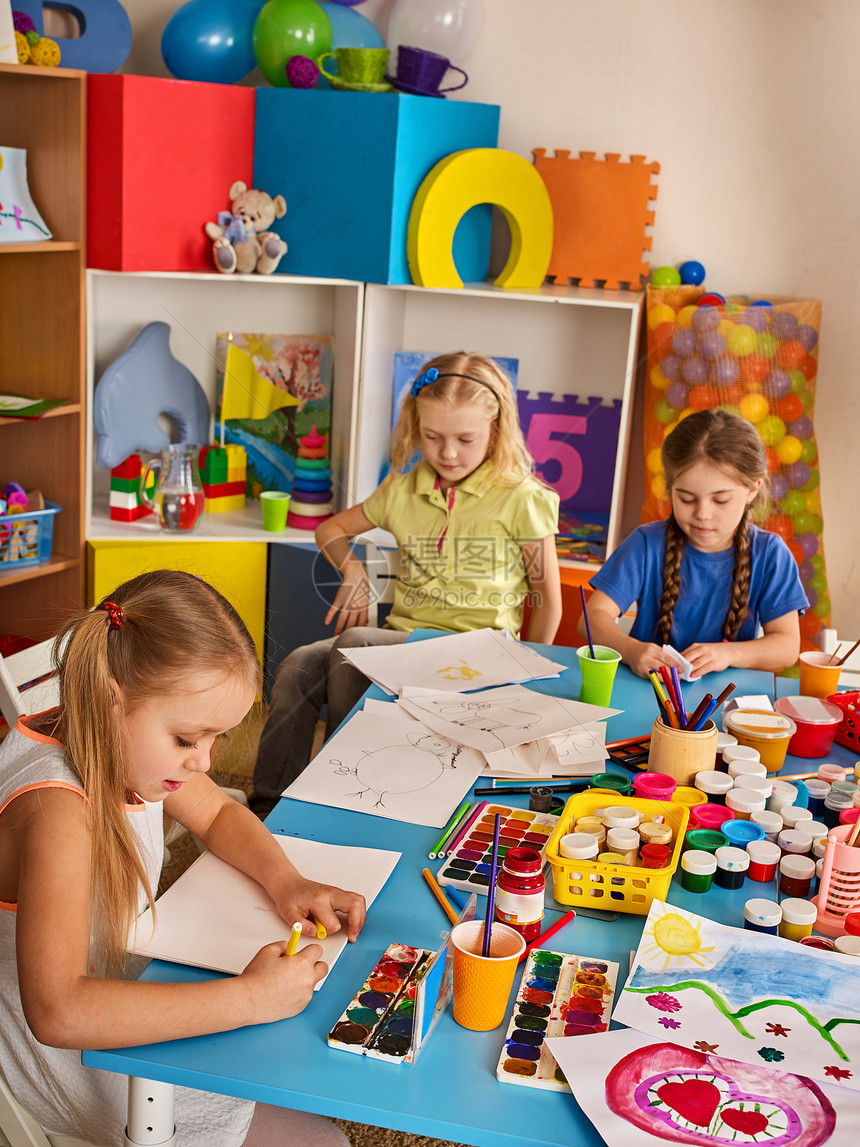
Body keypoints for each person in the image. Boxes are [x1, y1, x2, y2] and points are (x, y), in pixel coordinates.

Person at [0, 570, 365, 1147]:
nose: (207, 763)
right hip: (67, 1060)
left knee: (284, 1041)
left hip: (117, 991)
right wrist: (246, 998)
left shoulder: (126, 743)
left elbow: (218, 815)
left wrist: (286, 881)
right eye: (191, 739)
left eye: (219, 739)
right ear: (111, 698)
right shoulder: (57, 811)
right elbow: (58, 1012)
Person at [251, 352, 562, 815]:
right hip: (404, 645)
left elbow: (550, 604)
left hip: (479, 655)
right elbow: (329, 530)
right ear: (416, 426)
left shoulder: (522, 498)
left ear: (495, 432)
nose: (448, 452)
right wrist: (353, 570)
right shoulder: (401, 489)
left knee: (354, 642)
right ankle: (269, 807)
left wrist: (526, 682)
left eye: (465, 438)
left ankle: (338, 789)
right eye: (433, 436)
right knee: (299, 664)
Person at [580, 408, 808, 678]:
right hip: (648, 691)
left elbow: (786, 646)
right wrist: (629, 650)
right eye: (687, 498)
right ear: (671, 488)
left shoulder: (771, 555)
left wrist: (728, 654)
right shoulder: (646, 543)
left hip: (727, 702)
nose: (702, 513)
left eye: (720, 500)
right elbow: (591, 618)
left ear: (752, 490)